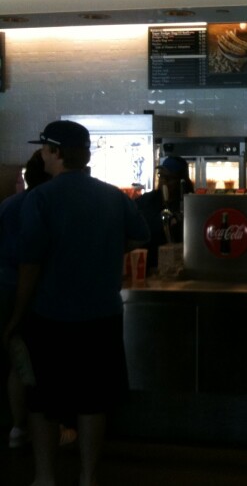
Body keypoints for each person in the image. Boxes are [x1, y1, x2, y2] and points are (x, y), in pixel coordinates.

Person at [2, 120, 150, 486]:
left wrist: (17, 317)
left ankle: (45, 476)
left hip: (50, 315)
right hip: (102, 314)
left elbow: (30, 264)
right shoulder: (113, 195)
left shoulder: (41, 198)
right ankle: (88, 477)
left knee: (44, 403)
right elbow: (140, 236)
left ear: (54, 152)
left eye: (44, 149)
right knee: (93, 401)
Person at [1, 150, 52, 449]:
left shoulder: (9, 205)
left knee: (18, 363)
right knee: (39, 364)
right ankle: (40, 428)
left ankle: (18, 428)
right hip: (34, 291)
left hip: (5, 287)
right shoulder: (47, 206)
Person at [135, 156, 194, 272]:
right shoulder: (147, 201)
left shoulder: (190, 205)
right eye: (161, 176)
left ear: (182, 182)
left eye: (169, 178)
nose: (163, 182)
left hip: (182, 268)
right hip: (150, 267)